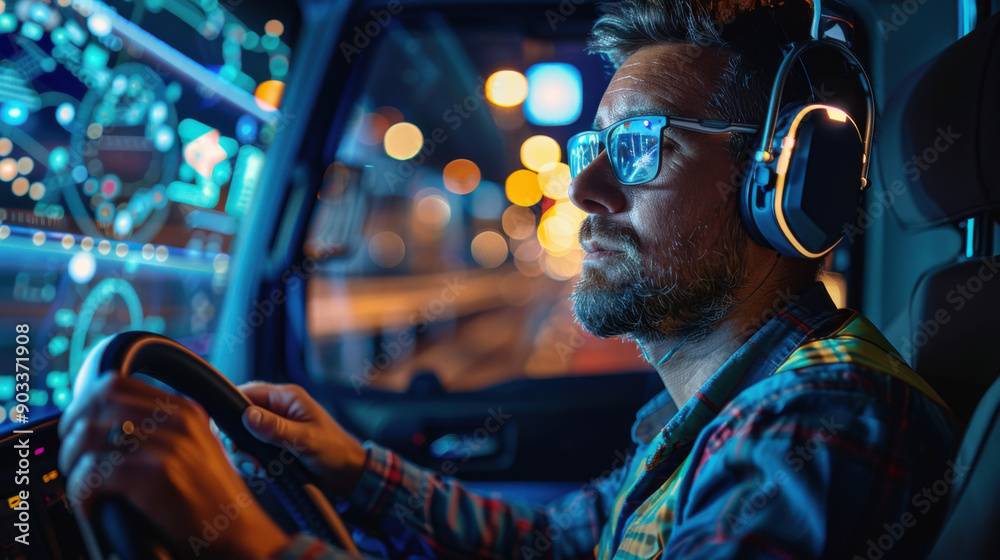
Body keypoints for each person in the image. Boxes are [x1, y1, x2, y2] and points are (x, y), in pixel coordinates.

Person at [58, 0, 962, 559]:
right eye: (593, 146)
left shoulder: (821, 418)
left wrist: (251, 547)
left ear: (785, 181)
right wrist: (353, 465)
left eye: (643, 147)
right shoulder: (711, 416)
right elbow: (558, 545)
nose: (585, 188)